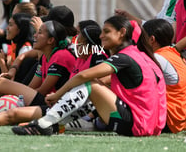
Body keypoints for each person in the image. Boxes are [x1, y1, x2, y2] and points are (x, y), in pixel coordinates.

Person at [12, 15, 167, 136]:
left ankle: (45, 123)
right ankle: (53, 123)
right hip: (145, 123)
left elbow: (84, 77)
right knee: (92, 86)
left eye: (106, 32)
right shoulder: (136, 55)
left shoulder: (106, 56)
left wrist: (58, 94)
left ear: (122, 33)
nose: (101, 36)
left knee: (90, 83)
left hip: (137, 124)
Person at [0, 20, 107, 128]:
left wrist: (6, 71)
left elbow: (43, 91)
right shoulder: (53, 56)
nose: (35, 35)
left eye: (40, 32)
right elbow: (32, 87)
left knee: (9, 105)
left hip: (56, 104)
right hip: (55, 103)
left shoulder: (64, 55)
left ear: (51, 40)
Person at [142, 19, 186, 133]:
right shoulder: (176, 55)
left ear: (151, 40)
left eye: (141, 38)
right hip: (177, 119)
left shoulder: (157, 58)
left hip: (167, 120)